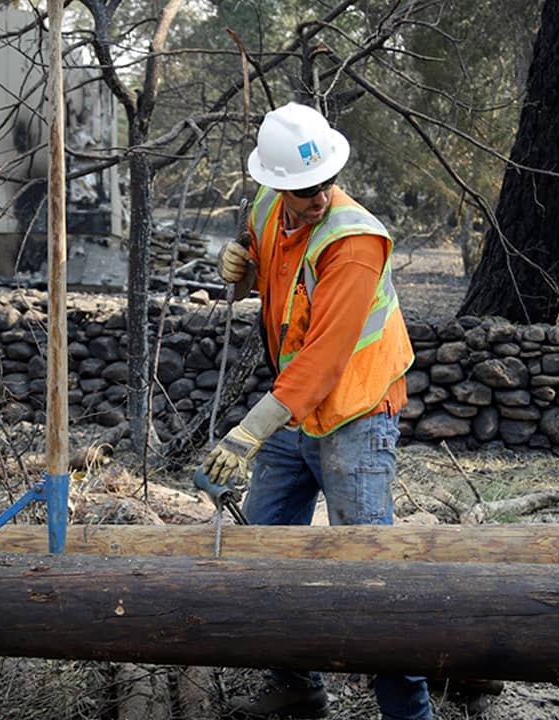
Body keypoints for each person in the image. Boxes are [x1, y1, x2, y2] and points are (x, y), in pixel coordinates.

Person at [204, 101, 431, 720]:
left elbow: (327, 359)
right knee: (264, 550)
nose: (317, 197)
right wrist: (243, 268)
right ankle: (296, 685)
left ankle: (408, 713)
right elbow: (279, 287)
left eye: (325, 182)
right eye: (303, 189)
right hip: (296, 407)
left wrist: (248, 432)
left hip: (355, 410)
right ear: (275, 182)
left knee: (370, 569)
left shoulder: (353, 240)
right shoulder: (265, 208)